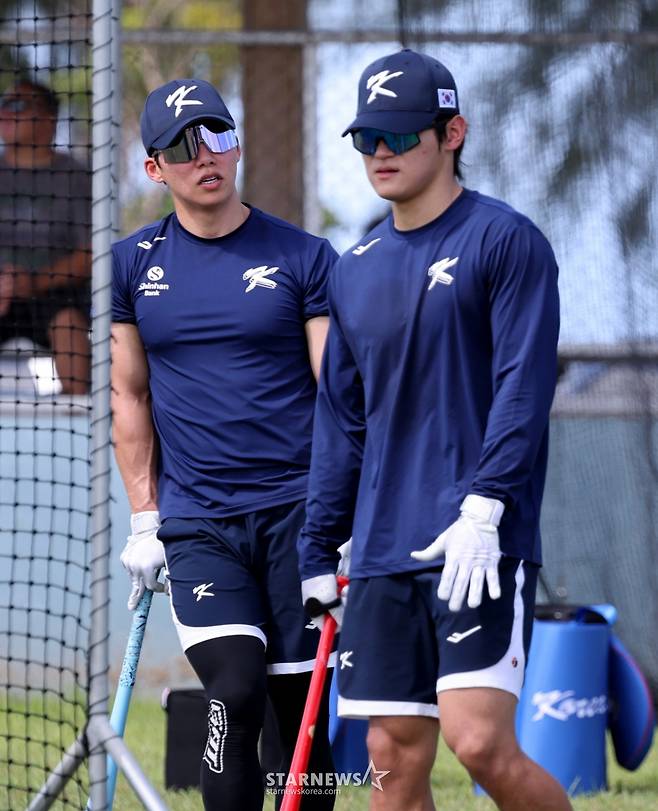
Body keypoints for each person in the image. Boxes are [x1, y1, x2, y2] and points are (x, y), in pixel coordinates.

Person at [298, 49, 573, 811]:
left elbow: (525, 382)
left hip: (477, 540)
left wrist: (487, 505)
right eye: (365, 140)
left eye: (398, 136)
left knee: (480, 742)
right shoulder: (352, 269)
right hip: (383, 546)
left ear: (452, 132)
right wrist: (318, 547)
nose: (379, 154)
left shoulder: (506, 241)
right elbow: (342, 420)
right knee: (390, 755)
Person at [111, 78, 339, 811]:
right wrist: (145, 517)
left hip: (298, 516)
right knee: (234, 689)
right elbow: (129, 395)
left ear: (235, 143)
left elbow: (337, 393)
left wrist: (341, 517)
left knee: (296, 711)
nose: (203, 156)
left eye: (215, 135)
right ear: (154, 168)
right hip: (199, 520)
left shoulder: (305, 256)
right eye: (181, 146)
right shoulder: (130, 265)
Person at [0, 79, 91, 394]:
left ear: (48, 119)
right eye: (4, 105)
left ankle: (81, 432)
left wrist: (35, 282)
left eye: (18, 105)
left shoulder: (75, 177)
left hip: (55, 295)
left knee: (70, 327)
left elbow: (90, 256)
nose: (6, 113)